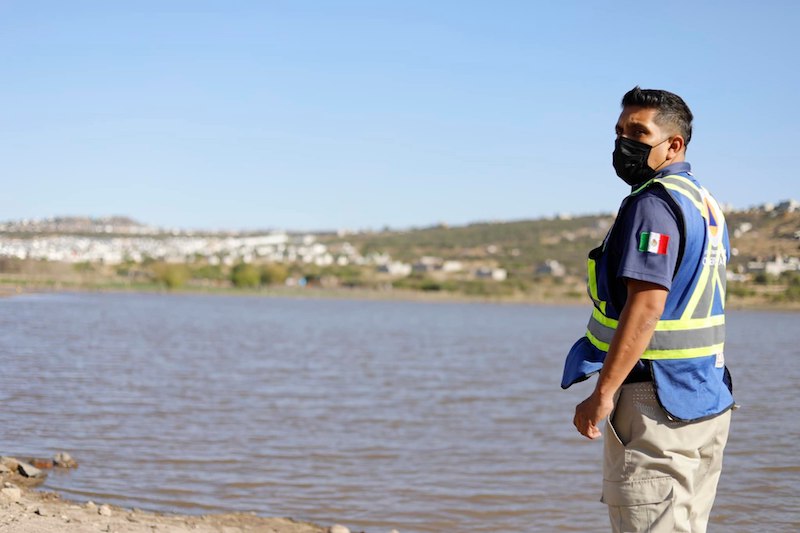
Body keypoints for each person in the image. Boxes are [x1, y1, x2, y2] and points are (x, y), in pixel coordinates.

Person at [561, 87, 734, 533]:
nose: (624, 144)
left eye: (639, 132)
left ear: (674, 144)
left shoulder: (653, 204)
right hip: (704, 398)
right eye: (620, 132)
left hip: (654, 400)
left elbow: (647, 305)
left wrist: (603, 393)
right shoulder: (704, 203)